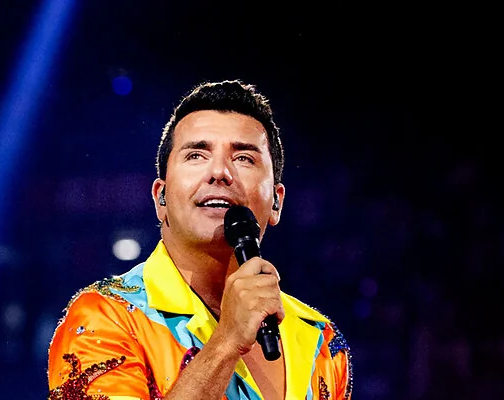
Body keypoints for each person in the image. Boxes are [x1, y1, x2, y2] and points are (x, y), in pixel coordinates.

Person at [47, 79, 353, 400]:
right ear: (161, 198)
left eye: (244, 158)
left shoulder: (321, 340)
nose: (220, 172)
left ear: (276, 202)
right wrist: (227, 342)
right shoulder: (105, 317)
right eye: (196, 155)